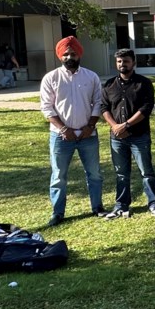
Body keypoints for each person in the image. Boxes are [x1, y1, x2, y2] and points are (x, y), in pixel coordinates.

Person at [38, 36, 105, 227]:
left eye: (73, 54)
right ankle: (57, 213)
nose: (69, 57)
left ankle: (97, 207)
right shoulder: (51, 78)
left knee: (94, 173)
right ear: (60, 56)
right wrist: (64, 129)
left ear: (79, 55)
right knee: (58, 175)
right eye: (65, 54)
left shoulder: (91, 77)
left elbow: (98, 103)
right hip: (60, 137)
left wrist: (90, 126)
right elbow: (47, 108)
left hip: (88, 135)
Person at [101, 48, 155, 219]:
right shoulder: (109, 85)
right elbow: (104, 107)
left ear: (133, 63)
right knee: (121, 173)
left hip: (139, 136)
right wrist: (115, 126)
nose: (123, 64)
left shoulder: (143, 83)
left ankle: (154, 203)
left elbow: (146, 107)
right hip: (117, 138)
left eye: (126, 61)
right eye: (119, 61)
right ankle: (121, 205)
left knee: (146, 172)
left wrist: (126, 125)